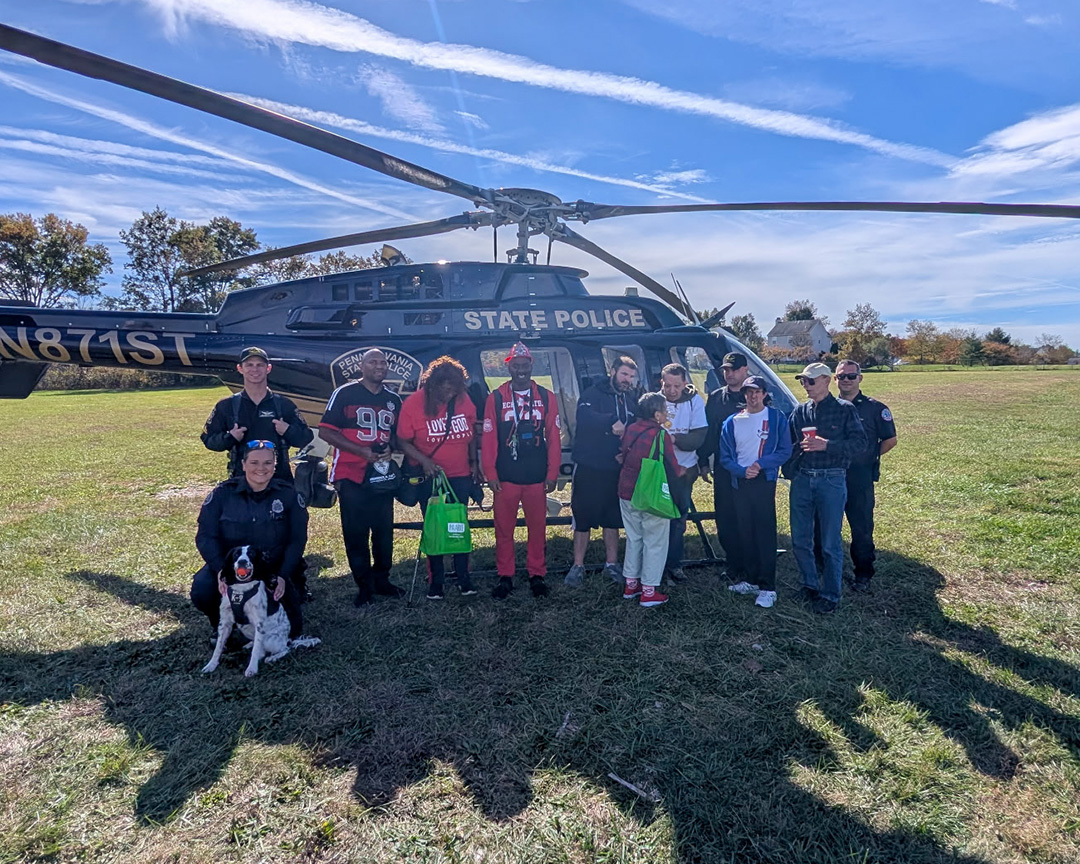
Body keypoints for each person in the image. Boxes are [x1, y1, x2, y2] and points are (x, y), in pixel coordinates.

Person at [191, 440, 307, 639]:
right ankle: (222, 624)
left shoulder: (288, 495)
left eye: (267, 463)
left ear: (275, 465)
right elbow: (205, 536)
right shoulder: (222, 494)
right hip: (233, 567)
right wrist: (221, 570)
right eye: (254, 463)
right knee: (203, 589)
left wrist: (282, 575)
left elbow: (297, 540)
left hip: (271, 569)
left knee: (292, 631)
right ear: (243, 465)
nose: (261, 468)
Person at [318, 349, 405, 606]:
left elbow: (397, 436)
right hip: (350, 473)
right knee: (356, 533)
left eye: (383, 362)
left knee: (383, 531)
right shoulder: (344, 393)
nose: (379, 366)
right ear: (362, 366)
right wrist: (360, 451)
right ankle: (363, 586)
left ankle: (382, 579)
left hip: (380, 475)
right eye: (373, 361)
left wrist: (393, 448)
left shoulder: (393, 399)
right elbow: (325, 431)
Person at [784, 362, 867, 614]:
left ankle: (831, 594)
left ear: (826, 380)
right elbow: (788, 443)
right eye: (803, 382)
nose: (805, 386)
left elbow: (861, 444)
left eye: (810, 381)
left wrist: (827, 445)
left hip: (831, 478)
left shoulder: (845, 410)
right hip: (803, 479)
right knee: (800, 538)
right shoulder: (800, 411)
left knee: (830, 542)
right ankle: (809, 584)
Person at [397, 355, 481, 600]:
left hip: (460, 476)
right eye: (443, 390)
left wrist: (474, 463)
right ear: (432, 385)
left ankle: (463, 577)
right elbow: (402, 440)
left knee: (457, 526)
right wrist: (424, 461)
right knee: (434, 528)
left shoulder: (464, 399)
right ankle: (436, 581)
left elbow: (472, 432)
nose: (448, 395)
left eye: (453, 390)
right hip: (430, 478)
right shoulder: (414, 404)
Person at [482, 342, 561, 600]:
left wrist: (552, 474)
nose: (520, 370)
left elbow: (554, 437)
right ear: (509, 367)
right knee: (504, 529)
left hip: (537, 477)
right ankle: (506, 576)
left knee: (537, 528)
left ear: (531, 365)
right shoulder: (495, 398)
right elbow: (489, 439)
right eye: (515, 365)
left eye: (524, 365)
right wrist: (490, 473)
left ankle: (536, 574)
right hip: (505, 478)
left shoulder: (547, 397)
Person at [813, 360, 898, 593]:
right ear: (834, 379)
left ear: (860, 378)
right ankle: (823, 568)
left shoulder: (874, 408)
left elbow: (890, 440)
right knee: (823, 524)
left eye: (851, 376)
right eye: (841, 376)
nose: (846, 380)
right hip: (830, 475)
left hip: (858, 477)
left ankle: (863, 573)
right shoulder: (827, 407)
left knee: (860, 527)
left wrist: (868, 456)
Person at [564, 355, 640, 587]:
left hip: (615, 468)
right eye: (624, 374)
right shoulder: (592, 393)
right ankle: (577, 566)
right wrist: (610, 422)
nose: (627, 380)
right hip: (589, 466)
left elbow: (635, 424)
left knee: (612, 518)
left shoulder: (630, 398)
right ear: (613, 371)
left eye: (631, 376)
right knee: (583, 517)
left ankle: (611, 564)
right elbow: (584, 418)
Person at [719, 376, 793, 609]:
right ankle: (751, 580)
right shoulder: (732, 421)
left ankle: (768, 587)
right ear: (744, 394)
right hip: (740, 482)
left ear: (764, 394)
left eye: (757, 392)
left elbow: (784, 450)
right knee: (745, 530)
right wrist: (741, 471)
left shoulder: (776, 418)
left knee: (764, 532)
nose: (753, 396)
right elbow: (725, 457)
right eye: (748, 392)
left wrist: (760, 465)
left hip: (763, 480)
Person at [201, 346, 313, 483]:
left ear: (268, 368)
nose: (255, 369)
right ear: (240, 368)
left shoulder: (284, 405)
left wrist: (288, 430)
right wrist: (230, 437)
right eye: (249, 365)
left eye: (260, 365)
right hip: (241, 481)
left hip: (279, 482)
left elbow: (306, 437)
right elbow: (209, 440)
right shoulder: (226, 406)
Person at [617, 392, 685, 607]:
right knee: (655, 541)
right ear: (657, 414)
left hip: (626, 491)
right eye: (665, 410)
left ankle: (631, 584)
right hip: (650, 494)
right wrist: (684, 472)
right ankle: (649, 590)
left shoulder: (631, 429)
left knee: (634, 537)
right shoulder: (661, 435)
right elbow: (673, 466)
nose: (667, 413)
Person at [698, 351, 750, 581]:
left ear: (745, 370)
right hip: (723, 467)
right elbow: (710, 433)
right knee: (726, 517)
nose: (729, 373)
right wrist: (702, 460)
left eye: (734, 369)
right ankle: (733, 564)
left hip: (750, 468)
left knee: (748, 516)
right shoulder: (716, 398)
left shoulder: (756, 396)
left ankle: (751, 564)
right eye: (726, 370)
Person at [659, 363, 708, 583]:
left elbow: (698, 437)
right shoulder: (654, 400)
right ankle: (655, 565)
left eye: (676, 385)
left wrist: (674, 439)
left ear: (684, 383)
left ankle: (674, 564)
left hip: (685, 470)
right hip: (658, 470)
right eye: (667, 385)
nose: (671, 390)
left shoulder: (695, 401)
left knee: (679, 518)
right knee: (657, 518)